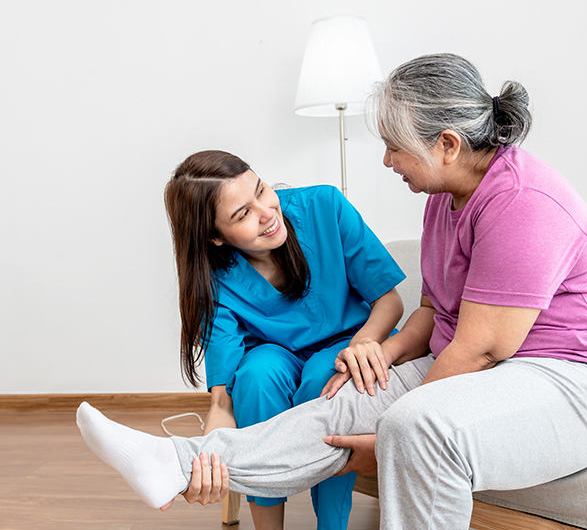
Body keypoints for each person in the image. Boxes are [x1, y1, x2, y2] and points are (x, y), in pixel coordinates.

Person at [76, 53, 587, 530]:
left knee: (416, 427)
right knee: (337, 401)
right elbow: (433, 312)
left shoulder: (524, 203)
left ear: (446, 144)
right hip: (476, 366)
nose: (387, 160)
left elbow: (485, 348)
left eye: (394, 146)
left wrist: (389, 433)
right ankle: (176, 463)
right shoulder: (445, 198)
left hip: (576, 380)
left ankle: (200, 460)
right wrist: (379, 354)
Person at [161, 150, 406, 530]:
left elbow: (389, 300)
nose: (266, 212)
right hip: (278, 357)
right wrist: (208, 450)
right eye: (242, 214)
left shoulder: (325, 206)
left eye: (261, 189)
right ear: (215, 237)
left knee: (323, 378)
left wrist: (363, 343)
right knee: (257, 377)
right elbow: (223, 396)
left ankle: (331, 525)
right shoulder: (214, 277)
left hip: (350, 340)